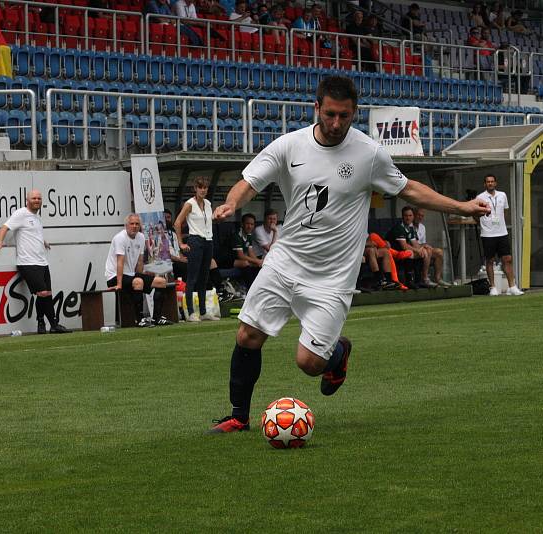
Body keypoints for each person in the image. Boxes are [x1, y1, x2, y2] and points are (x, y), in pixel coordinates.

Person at [206, 75, 490, 433]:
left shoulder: (368, 153)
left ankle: (337, 354)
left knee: (308, 363)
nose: (337, 123)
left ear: (354, 112)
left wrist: (461, 207)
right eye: (330, 114)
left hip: (333, 278)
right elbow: (249, 183)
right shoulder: (288, 146)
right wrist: (231, 203)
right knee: (248, 335)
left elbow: (411, 190)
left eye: (345, 116)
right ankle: (238, 416)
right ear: (316, 109)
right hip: (286, 261)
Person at [0, 190, 72, 334]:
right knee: (42, 293)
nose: (37, 200)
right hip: (27, 263)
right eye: (34, 198)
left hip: (42, 261)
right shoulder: (21, 214)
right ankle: (50, 324)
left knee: (47, 293)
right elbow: (5, 227)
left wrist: (43, 242)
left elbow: (33, 234)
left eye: (39, 198)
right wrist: (0, 241)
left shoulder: (37, 217)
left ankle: (46, 325)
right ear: (27, 200)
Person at [105, 213, 171, 327]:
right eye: (132, 224)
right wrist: (119, 284)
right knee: (138, 282)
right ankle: (139, 320)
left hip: (131, 274)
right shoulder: (120, 238)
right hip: (114, 276)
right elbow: (120, 262)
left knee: (161, 282)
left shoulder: (141, 237)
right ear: (126, 225)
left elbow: (140, 261)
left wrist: (141, 275)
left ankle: (157, 318)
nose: (134, 226)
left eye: (137, 224)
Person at [174, 177, 215, 322]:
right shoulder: (189, 204)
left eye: (205, 187)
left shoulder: (208, 204)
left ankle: (203, 312)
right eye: (200, 187)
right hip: (195, 240)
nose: (203, 190)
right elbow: (177, 223)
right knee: (192, 277)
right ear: (195, 189)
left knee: (204, 277)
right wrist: (181, 243)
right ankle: (191, 312)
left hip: (208, 240)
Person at [475, 174, 523, 296]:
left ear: (495, 183)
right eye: (488, 182)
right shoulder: (480, 197)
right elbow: (475, 214)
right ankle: (493, 287)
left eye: (492, 181)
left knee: (507, 259)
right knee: (490, 260)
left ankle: (512, 286)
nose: (490, 183)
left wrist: (499, 221)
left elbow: (505, 211)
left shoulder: (502, 195)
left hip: (502, 232)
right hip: (487, 234)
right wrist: (484, 222)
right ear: (484, 184)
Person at [413, 207, 449, 287]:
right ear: (414, 215)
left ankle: (438, 279)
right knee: (428, 251)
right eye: (418, 215)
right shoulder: (409, 226)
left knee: (439, 252)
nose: (420, 217)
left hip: (422, 248)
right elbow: (411, 243)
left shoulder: (422, 227)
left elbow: (423, 242)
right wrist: (424, 246)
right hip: (414, 250)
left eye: (422, 216)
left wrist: (425, 246)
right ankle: (425, 278)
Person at [163, 209, 188, 280]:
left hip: (178, 259)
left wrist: (182, 258)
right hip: (169, 261)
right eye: (164, 217)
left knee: (193, 263)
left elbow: (178, 250)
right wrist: (180, 259)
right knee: (183, 266)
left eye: (168, 217)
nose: (166, 219)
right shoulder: (160, 235)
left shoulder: (173, 234)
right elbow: (166, 254)